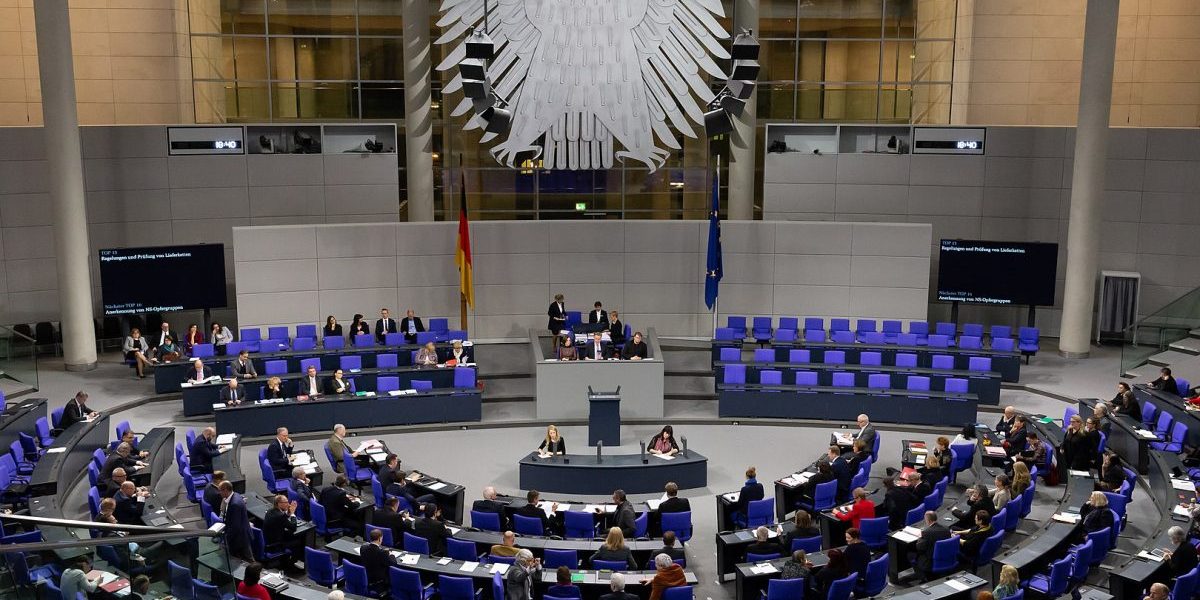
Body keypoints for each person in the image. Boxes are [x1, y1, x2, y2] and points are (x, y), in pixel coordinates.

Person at [219, 480, 254, 560]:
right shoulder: (236, 495)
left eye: (220, 490)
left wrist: (227, 538)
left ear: (225, 490)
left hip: (240, 538)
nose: (219, 493)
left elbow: (235, 526)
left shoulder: (235, 504)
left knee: (248, 559)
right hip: (240, 535)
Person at [263, 494, 304, 560]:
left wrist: (288, 513)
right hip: (275, 544)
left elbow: (282, 519)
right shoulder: (280, 516)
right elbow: (293, 527)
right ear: (279, 504)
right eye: (286, 502)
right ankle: (292, 562)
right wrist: (293, 513)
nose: (288, 504)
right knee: (299, 540)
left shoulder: (270, 511)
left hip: (269, 538)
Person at [915, 511, 951, 582]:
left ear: (928, 520)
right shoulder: (946, 528)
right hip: (945, 557)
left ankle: (924, 578)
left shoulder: (926, 532)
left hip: (931, 561)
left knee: (911, 555)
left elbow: (919, 547)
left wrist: (920, 537)